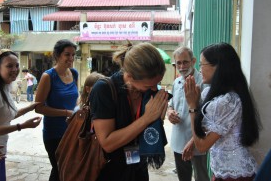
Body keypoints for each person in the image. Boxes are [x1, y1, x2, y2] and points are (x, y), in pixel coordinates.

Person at [89, 42, 169, 181]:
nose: (154, 89)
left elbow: (146, 133)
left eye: (157, 83)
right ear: (130, 76)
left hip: (137, 168)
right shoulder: (104, 90)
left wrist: (158, 118)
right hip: (108, 171)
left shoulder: (148, 92)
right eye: (149, 85)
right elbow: (107, 143)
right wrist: (147, 118)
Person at [184, 43, 260, 181]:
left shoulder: (228, 101)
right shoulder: (223, 95)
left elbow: (202, 146)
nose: (199, 70)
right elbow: (209, 127)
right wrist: (192, 141)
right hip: (224, 172)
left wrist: (192, 105)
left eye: (201, 65)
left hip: (235, 175)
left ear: (218, 67)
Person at [0, 49, 42, 180]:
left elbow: (6, 116)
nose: (15, 69)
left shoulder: (5, 87)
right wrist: (21, 126)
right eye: (9, 66)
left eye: (17, 65)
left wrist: (29, 108)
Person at [35, 39, 79, 181]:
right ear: (57, 55)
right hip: (54, 133)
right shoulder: (48, 76)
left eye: (73, 54)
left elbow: (75, 99)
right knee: (59, 169)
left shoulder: (74, 73)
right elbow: (38, 107)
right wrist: (66, 113)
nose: (71, 58)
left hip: (72, 131)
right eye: (67, 54)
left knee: (69, 170)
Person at [167, 47, 209, 181]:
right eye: (178, 63)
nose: (182, 66)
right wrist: (169, 112)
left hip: (196, 141)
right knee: (183, 177)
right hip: (178, 140)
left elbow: (208, 117)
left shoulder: (203, 83)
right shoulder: (176, 82)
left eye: (185, 62)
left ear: (194, 61)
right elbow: (171, 104)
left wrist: (193, 141)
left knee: (201, 176)